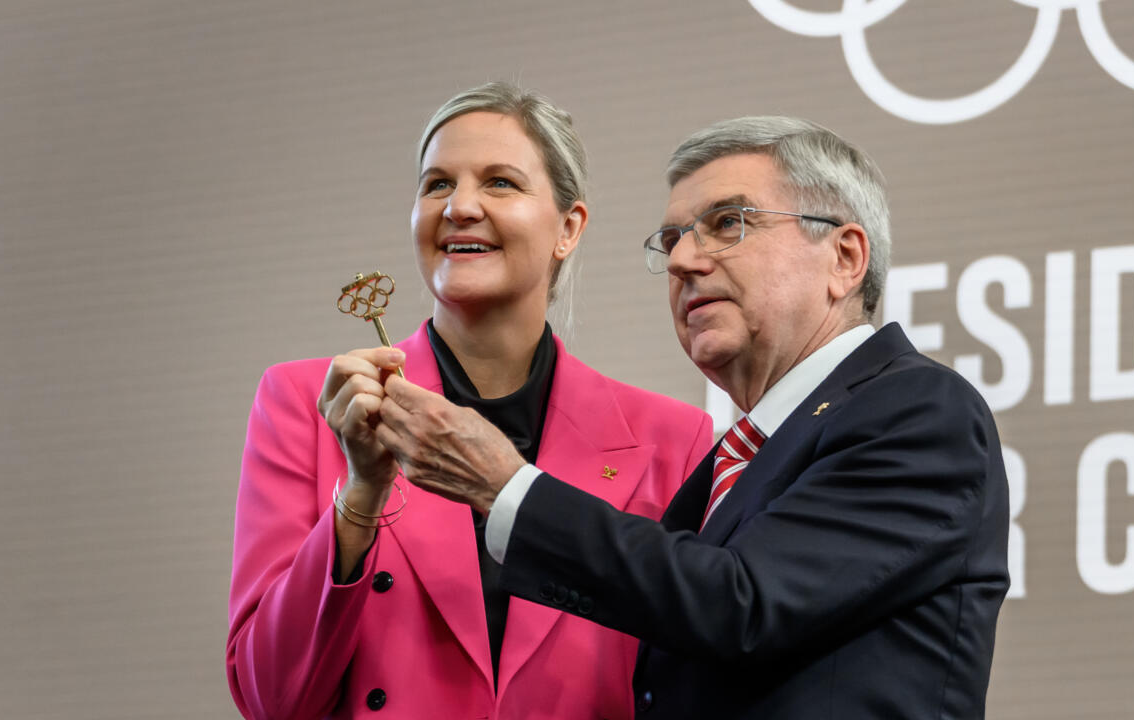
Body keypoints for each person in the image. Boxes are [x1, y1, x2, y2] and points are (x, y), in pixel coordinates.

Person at [375, 116, 1011, 718]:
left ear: (844, 258)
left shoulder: (919, 411)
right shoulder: (734, 460)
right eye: (673, 239)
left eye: (728, 223)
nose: (682, 260)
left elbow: (740, 604)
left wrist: (506, 487)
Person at [226, 82, 713, 720]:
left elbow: (692, 685)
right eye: (437, 185)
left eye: (500, 183)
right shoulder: (309, 403)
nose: (459, 207)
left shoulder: (674, 439)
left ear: (568, 228)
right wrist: (361, 496)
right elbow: (271, 698)